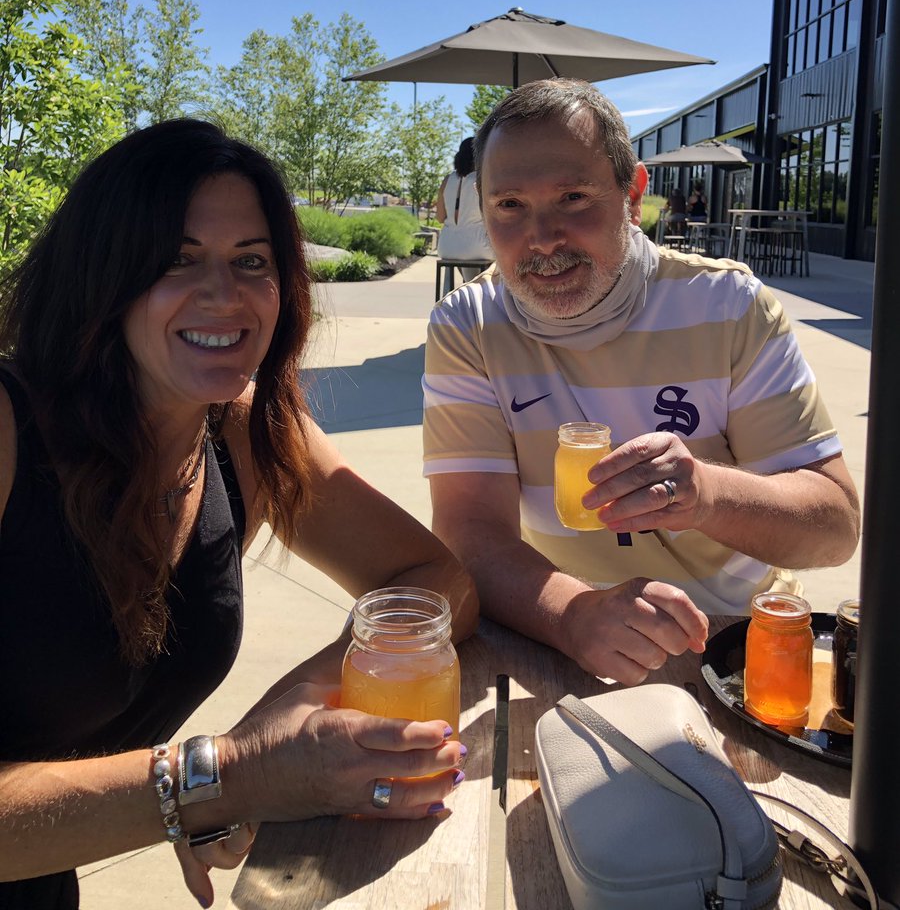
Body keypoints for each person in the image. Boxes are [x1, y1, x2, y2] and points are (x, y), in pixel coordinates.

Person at [0, 120, 477, 910]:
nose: (223, 296)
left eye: (251, 262)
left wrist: (286, 718)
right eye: (176, 261)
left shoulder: (245, 431)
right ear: (99, 278)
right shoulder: (11, 429)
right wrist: (224, 776)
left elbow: (436, 581)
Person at [422, 78, 859, 689]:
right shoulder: (469, 323)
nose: (543, 238)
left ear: (633, 196)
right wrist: (573, 614)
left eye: (573, 197)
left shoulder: (728, 305)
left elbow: (835, 527)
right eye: (510, 206)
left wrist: (706, 494)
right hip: (555, 627)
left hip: (735, 638)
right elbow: (470, 533)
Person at [435, 137, 492, 295]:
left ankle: (460, 294)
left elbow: (440, 217)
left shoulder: (447, 180)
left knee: (464, 251)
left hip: (447, 246)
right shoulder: (483, 180)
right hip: (478, 246)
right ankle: (482, 299)